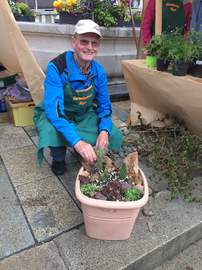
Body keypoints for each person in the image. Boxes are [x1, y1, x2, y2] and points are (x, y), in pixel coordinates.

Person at [34, 19, 123, 176]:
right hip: (58, 113)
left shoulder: (99, 72)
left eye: (94, 43)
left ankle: (93, 148)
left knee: (113, 134)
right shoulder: (57, 67)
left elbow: (105, 108)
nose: (89, 47)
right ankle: (59, 158)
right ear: (73, 41)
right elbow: (55, 112)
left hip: (83, 114)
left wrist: (103, 132)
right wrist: (78, 143)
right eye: (84, 41)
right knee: (50, 129)